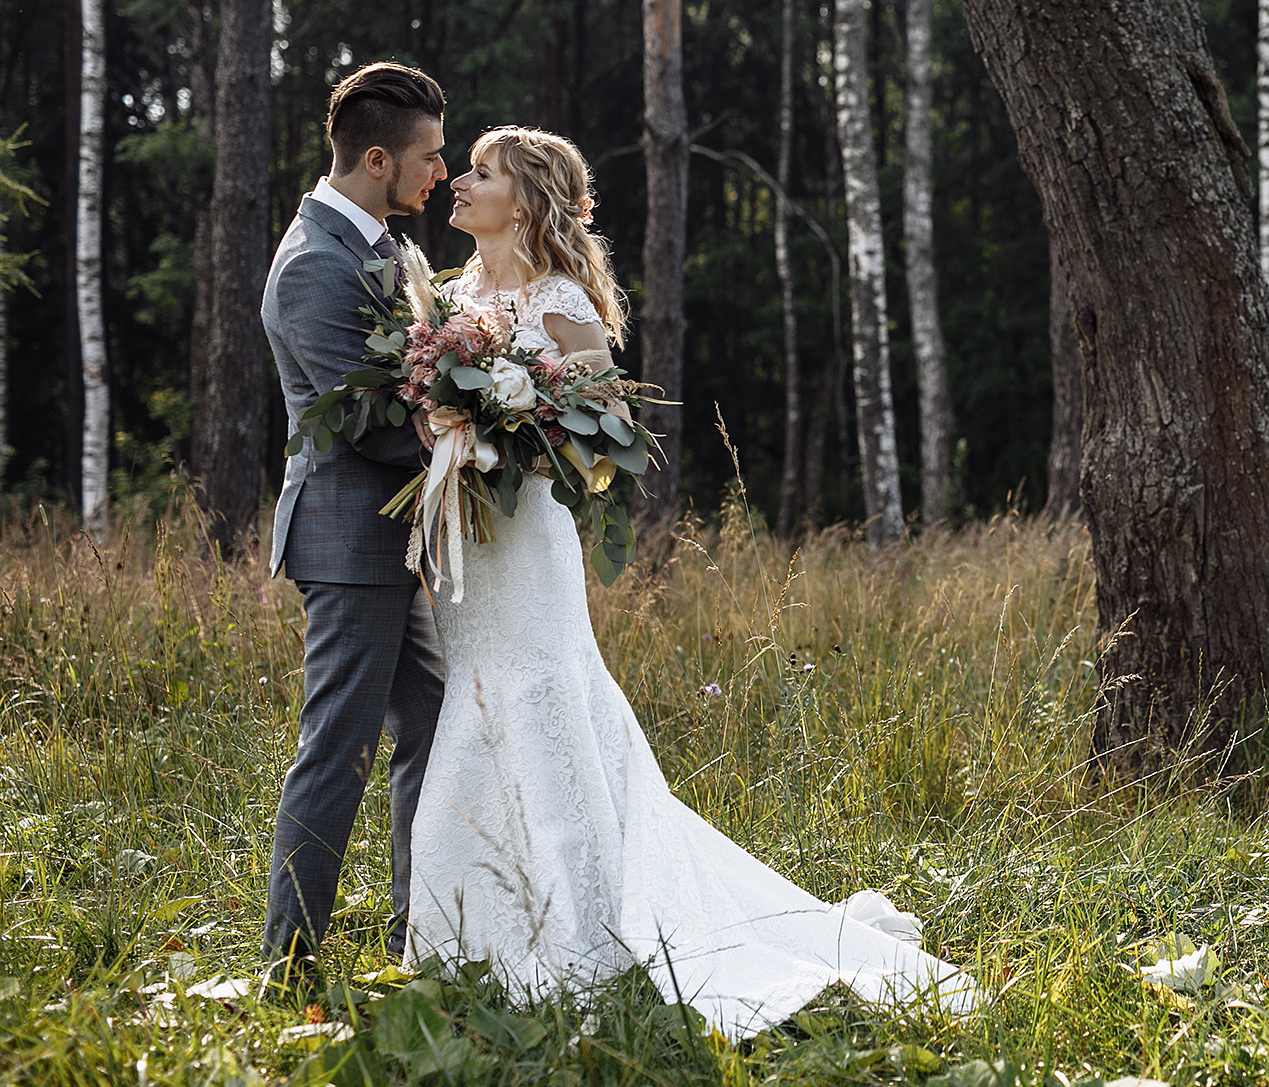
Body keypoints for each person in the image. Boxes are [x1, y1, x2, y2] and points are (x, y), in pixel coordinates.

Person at [404, 126, 975, 1039]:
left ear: (528, 198)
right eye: (464, 169)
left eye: (482, 172)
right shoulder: (446, 296)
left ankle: (586, 935)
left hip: (530, 540)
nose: (461, 183)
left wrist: (512, 423)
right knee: (472, 706)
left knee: (542, 692)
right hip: (469, 543)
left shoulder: (561, 305)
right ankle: (470, 940)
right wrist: (448, 419)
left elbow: (606, 438)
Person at [258, 62, 449, 985]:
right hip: (349, 540)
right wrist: (479, 443)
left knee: (436, 722)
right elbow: (369, 426)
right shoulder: (312, 266)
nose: (441, 173)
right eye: (429, 155)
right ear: (377, 158)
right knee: (336, 749)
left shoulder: (381, 248)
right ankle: (288, 961)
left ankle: (425, 931)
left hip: (393, 539)